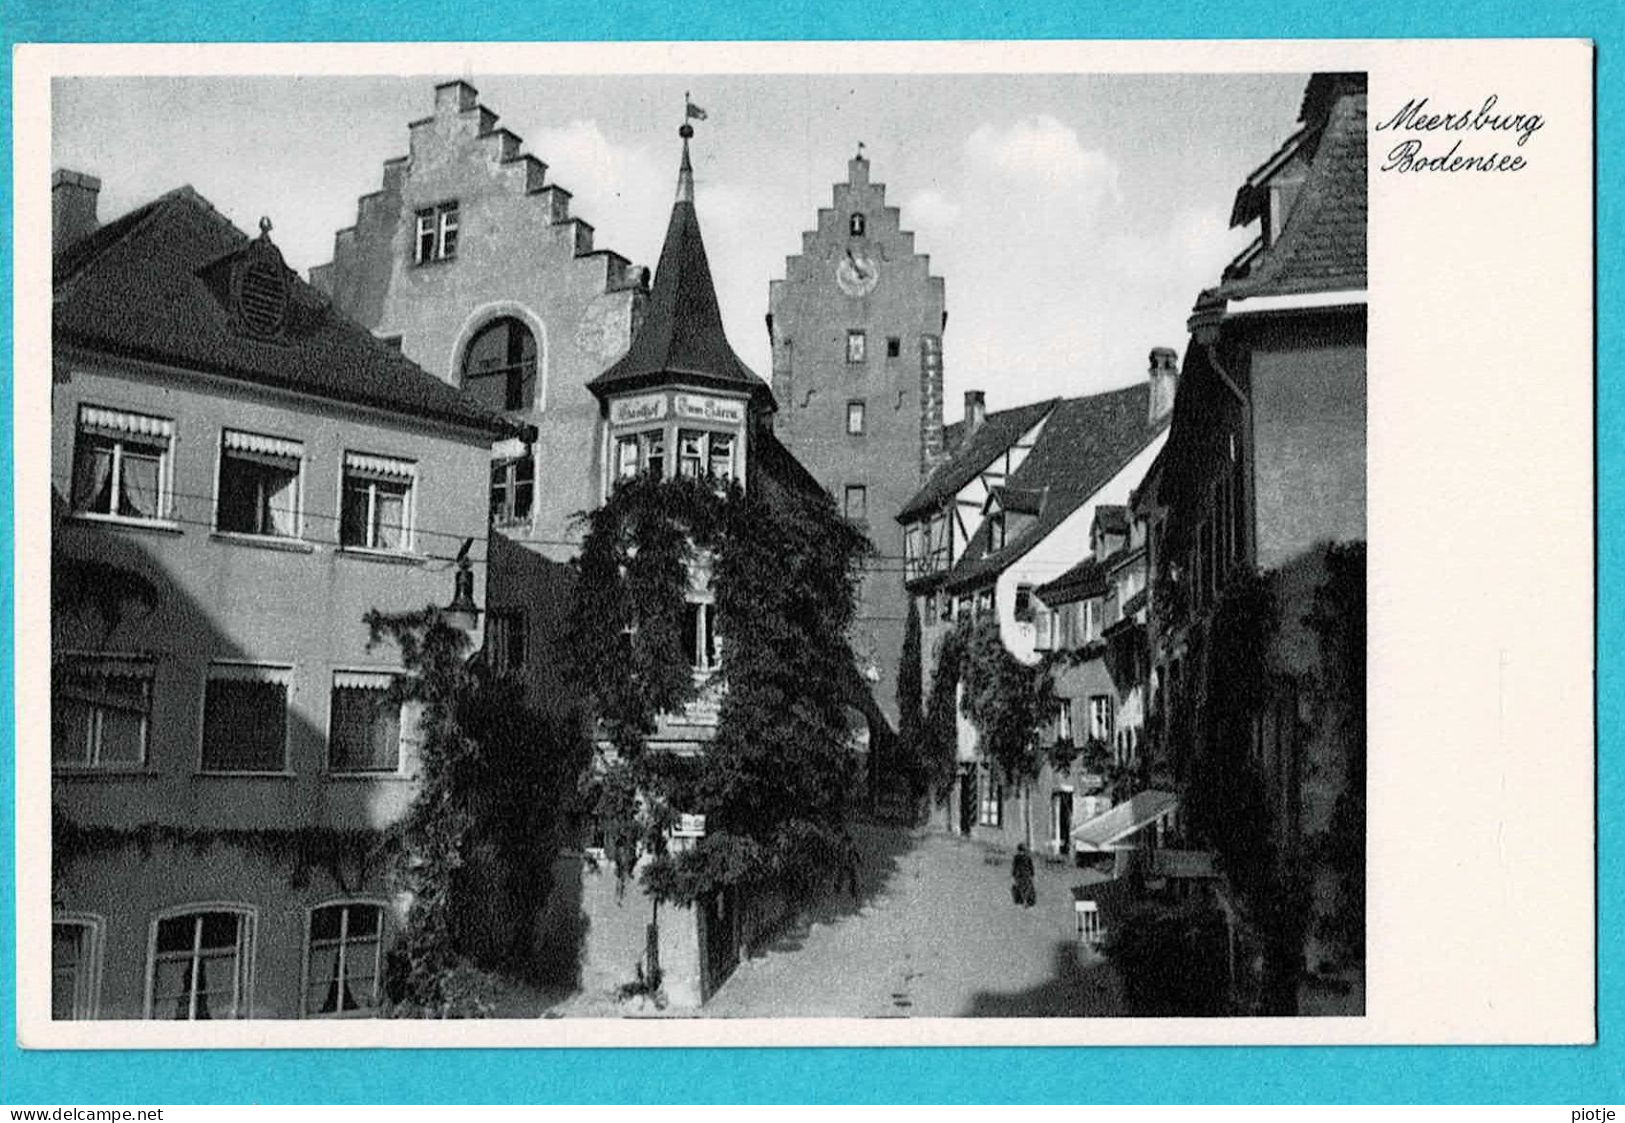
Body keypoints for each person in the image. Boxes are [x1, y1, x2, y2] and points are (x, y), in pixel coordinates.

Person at [1011, 843, 1036, 908]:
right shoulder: (1027, 857)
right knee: (1027, 888)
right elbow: (1031, 867)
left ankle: (1023, 900)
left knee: (1021, 887)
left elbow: (1014, 866)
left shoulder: (1017, 857)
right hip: (1026, 875)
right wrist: (1032, 874)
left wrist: (1013, 875)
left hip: (1019, 875)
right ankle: (1026, 901)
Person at [840, 829, 861, 898]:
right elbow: (854, 851)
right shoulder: (845, 843)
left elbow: (855, 851)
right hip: (846, 863)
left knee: (852, 876)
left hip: (848, 862)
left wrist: (858, 859)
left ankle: (853, 891)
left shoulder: (847, 843)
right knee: (848, 876)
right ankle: (852, 890)